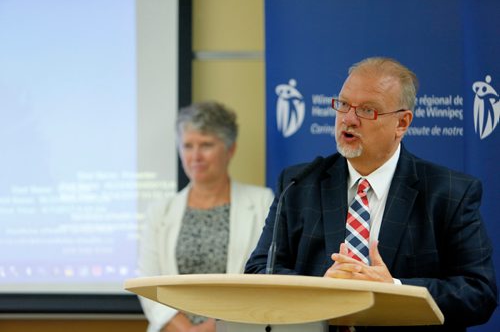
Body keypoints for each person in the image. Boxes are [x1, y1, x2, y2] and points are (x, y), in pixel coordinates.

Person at [245, 57, 497, 331]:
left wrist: (395, 289)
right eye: (343, 104)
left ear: (402, 123)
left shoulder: (448, 192)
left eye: (367, 110)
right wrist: (321, 287)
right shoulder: (299, 184)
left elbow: (479, 292)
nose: (349, 119)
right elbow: (260, 271)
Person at [139, 101, 274, 332]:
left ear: (230, 149)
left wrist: (214, 327)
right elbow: (148, 284)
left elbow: (265, 279)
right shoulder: (159, 211)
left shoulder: (262, 202)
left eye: (206, 145)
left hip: (237, 327)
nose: (196, 156)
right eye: (188, 146)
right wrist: (185, 329)